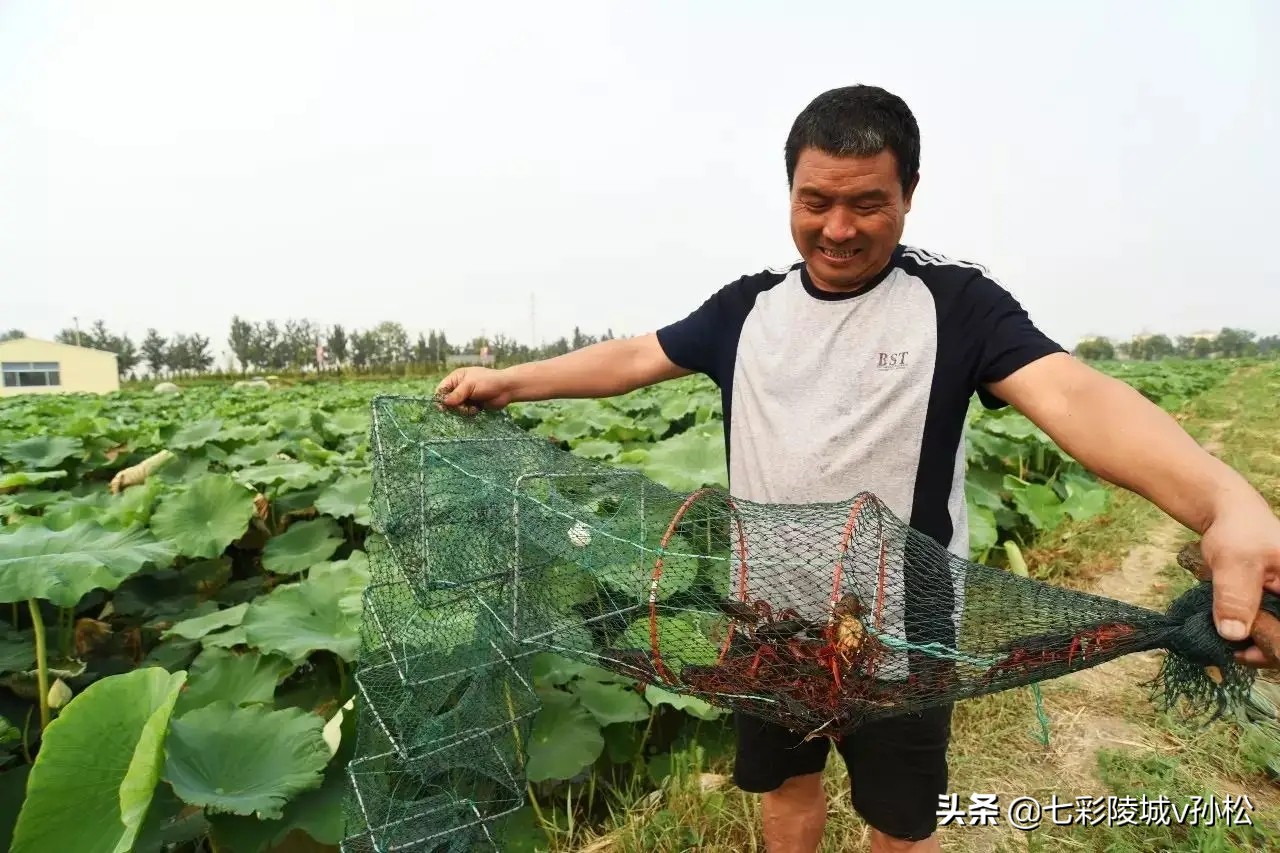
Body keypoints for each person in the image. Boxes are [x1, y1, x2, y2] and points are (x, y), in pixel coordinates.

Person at [435, 85, 1280, 853]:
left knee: (900, 821)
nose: (838, 227)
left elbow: (1077, 398)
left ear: (909, 195)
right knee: (787, 791)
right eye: (816, 202)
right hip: (766, 618)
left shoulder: (957, 306)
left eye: (868, 203)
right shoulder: (747, 309)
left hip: (903, 630)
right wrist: (510, 381)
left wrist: (1223, 501)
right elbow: (631, 358)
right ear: (791, 195)